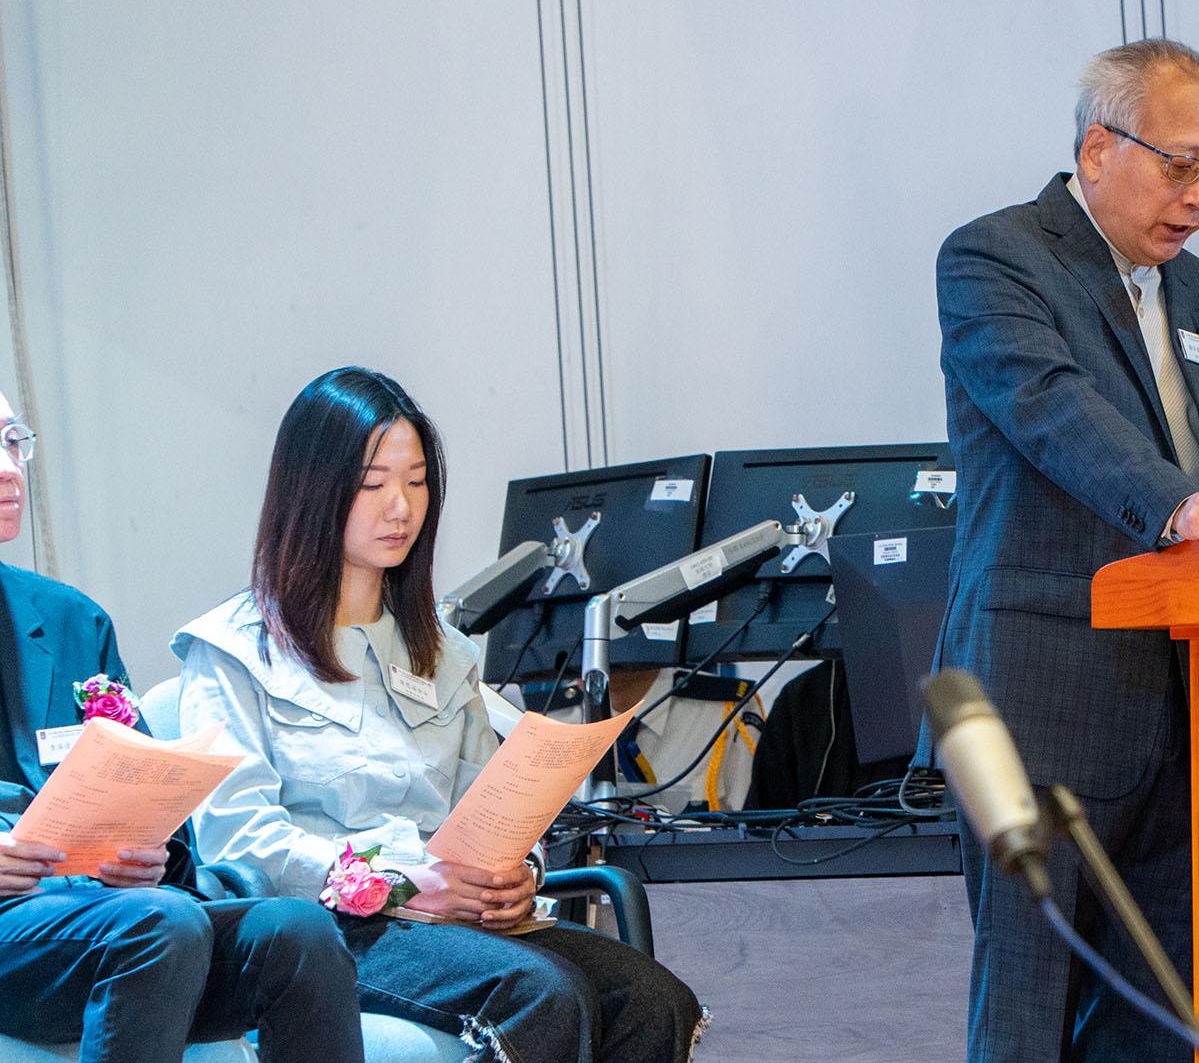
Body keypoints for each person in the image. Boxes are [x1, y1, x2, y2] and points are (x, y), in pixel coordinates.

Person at [927, 39, 1199, 1061]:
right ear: (1097, 149)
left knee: (1164, 1011)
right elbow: (1051, 410)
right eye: (1180, 166)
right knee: (1030, 1004)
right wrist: (1178, 504)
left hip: (1198, 702)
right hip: (1043, 693)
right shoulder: (996, 257)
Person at [175, 367, 705, 1063]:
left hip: (453, 921)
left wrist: (516, 876)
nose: (400, 507)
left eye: (417, 481)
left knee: (653, 998)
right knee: (541, 993)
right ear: (311, 489)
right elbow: (239, 842)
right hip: (327, 931)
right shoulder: (232, 651)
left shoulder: (443, 650)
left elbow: (489, 805)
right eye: (372, 484)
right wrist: (398, 883)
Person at [0, 391, 364, 1062]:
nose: (8, 468)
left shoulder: (70, 618)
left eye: (12, 441)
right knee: (158, 925)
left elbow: (149, 798)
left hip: (108, 911)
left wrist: (149, 853)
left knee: (298, 932)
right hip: (45, 932)